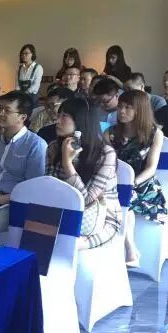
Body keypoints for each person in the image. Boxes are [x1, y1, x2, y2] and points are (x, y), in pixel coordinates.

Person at [47, 98, 121, 249]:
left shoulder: (105, 153)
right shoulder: (54, 147)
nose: (57, 121)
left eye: (64, 116)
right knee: (34, 236)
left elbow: (86, 200)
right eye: (58, 115)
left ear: (82, 121)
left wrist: (67, 163)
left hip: (99, 219)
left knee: (68, 245)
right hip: (61, 211)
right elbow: (49, 186)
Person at [105, 90, 167, 265]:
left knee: (125, 198)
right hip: (114, 183)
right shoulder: (110, 133)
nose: (121, 111)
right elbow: (106, 164)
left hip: (143, 184)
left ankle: (130, 249)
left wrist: (131, 184)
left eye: (128, 107)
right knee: (116, 197)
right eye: (120, 107)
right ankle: (129, 248)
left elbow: (151, 168)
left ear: (140, 110)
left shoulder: (154, 134)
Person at [0, 91, 47, 211]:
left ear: (22, 117)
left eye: (6, 110)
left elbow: (32, 188)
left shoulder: (36, 145)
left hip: (14, 203)